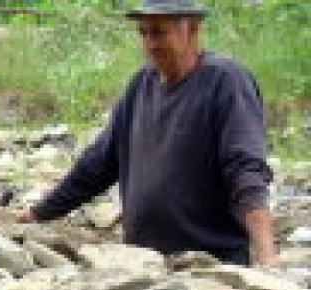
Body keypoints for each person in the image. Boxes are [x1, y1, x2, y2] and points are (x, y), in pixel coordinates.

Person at [17, 0, 277, 266]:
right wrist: (41, 212)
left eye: (159, 33)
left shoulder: (225, 81)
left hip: (210, 263)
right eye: (143, 33)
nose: (151, 44)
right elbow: (100, 162)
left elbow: (245, 169)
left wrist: (267, 258)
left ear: (192, 29)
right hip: (146, 262)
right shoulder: (141, 84)